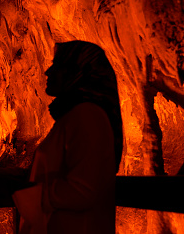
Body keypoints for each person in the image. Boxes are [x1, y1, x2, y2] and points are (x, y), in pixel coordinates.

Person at [12, 41, 123, 234]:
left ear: (77, 72)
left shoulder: (88, 116)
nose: (47, 72)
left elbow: (85, 191)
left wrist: (33, 196)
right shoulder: (75, 116)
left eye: (57, 65)